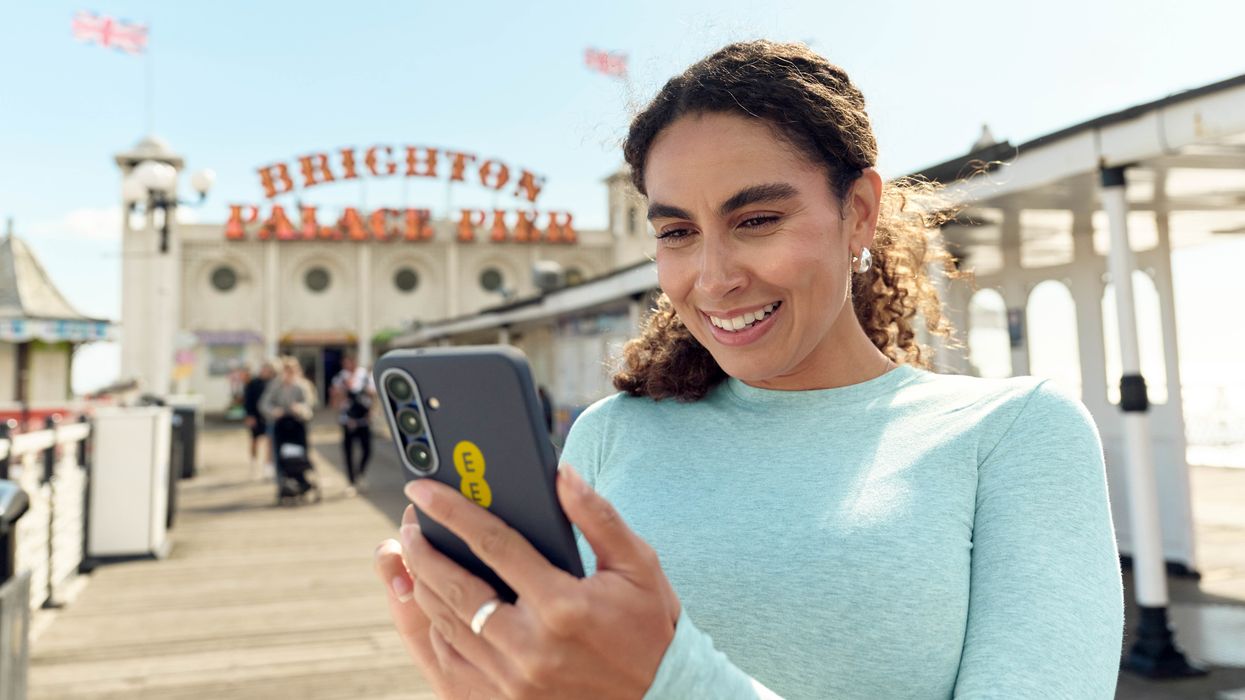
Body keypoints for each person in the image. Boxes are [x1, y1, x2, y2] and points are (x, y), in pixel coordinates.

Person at [373, 40, 1124, 699]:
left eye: (756, 220)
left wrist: (666, 682)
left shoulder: (1016, 433)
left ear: (857, 210)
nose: (713, 276)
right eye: (676, 231)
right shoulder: (610, 434)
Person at [331, 353, 376, 495]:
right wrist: (343, 391)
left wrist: (372, 411)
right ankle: (351, 481)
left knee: (367, 449)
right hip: (347, 419)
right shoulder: (340, 378)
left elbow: (372, 395)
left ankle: (360, 473)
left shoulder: (365, 376)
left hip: (363, 419)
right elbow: (335, 400)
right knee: (348, 451)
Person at [242, 361, 276, 479]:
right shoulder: (253, 383)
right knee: (254, 441)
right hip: (255, 416)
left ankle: (268, 466)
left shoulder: (274, 383)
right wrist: (249, 415)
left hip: (269, 417)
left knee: (270, 442)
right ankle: (253, 463)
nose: (264, 371)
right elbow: (247, 400)